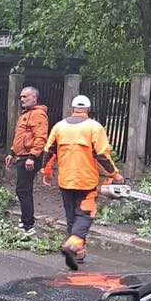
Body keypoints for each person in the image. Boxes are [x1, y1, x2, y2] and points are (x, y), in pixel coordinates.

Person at [41, 95, 123, 269]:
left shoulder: (59, 127)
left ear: (72, 108)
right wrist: (115, 175)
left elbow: (49, 152)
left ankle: (78, 252)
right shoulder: (94, 127)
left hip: (65, 181)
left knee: (72, 217)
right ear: (88, 109)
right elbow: (102, 155)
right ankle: (73, 245)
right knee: (85, 215)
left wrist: (46, 172)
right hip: (86, 182)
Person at [5, 86, 48, 235]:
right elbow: (20, 137)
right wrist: (12, 152)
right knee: (23, 189)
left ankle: (28, 223)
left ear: (34, 98)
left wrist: (32, 156)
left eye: (25, 97)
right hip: (22, 156)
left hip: (29, 158)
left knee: (23, 189)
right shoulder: (26, 114)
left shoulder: (38, 115)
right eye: (21, 97)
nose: (22, 99)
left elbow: (41, 138)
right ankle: (26, 220)